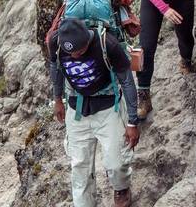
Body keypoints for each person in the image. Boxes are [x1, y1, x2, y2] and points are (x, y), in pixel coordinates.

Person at [50, 19, 140, 207]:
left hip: (109, 107)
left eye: (80, 51)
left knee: (116, 163)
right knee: (79, 166)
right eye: (71, 53)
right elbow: (56, 68)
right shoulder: (56, 43)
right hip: (77, 109)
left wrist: (132, 122)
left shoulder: (108, 44)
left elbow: (127, 82)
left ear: (87, 41)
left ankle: (121, 188)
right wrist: (57, 99)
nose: (75, 56)